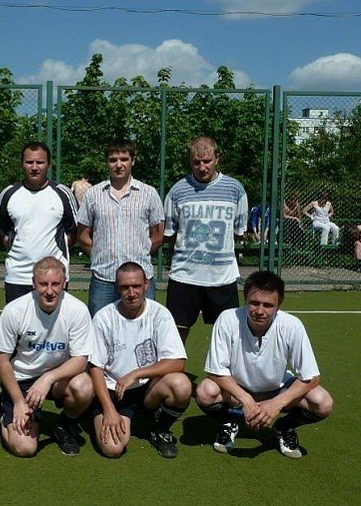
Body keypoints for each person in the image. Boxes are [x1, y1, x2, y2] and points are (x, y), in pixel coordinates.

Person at [195, 270, 333, 458]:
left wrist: (276, 404)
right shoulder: (227, 319)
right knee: (205, 392)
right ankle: (228, 422)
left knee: (322, 402)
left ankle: (284, 427)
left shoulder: (292, 325)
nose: (260, 311)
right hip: (237, 389)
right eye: (254, 303)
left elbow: (311, 377)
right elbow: (215, 371)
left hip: (277, 389)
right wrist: (246, 399)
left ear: (279, 305)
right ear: (245, 299)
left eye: (268, 305)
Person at [0, 257, 94, 457]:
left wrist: (47, 379)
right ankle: (2, 412)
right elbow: (1, 359)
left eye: (55, 284)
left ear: (64, 282)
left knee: (84, 386)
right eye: (43, 284)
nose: (49, 291)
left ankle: (64, 425)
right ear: (33, 283)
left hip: (56, 379)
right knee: (25, 448)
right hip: (22, 379)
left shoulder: (77, 310)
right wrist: (19, 402)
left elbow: (81, 360)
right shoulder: (15, 310)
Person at [89, 262, 191, 459]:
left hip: (146, 390)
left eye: (136, 286)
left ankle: (160, 429)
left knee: (181, 384)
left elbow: (178, 362)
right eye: (125, 287)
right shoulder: (103, 318)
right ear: (116, 288)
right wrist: (109, 410)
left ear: (146, 284)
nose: (131, 293)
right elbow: (95, 367)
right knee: (113, 449)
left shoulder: (160, 314)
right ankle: (100, 413)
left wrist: (136, 374)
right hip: (114, 391)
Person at [163, 135, 248, 345]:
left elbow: (239, 232)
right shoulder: (177, 191)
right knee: (175, 335)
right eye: (196, 162)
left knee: (229, 336)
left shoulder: (235, 190)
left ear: (217, 158)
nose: (202, 167)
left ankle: (224, 368)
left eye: (207, 161)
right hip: (184, 276)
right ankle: (173, 367)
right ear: (190, 161)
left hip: (222, 277)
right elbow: (170, 234)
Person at [78, 139, 164, 316]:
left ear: (133, 161)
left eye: (124, 159)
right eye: (113, 160)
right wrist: (99, 254)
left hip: (140, 278)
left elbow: (158, 235)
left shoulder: (149, 193)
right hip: (103, 278)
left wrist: (141, 252)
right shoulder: (93, 194)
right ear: (107, 162)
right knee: (99, 327)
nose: (118, 165)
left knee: (144, 326)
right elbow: (83, 235)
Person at [0, 142, 78, 304]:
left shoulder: (62, 193)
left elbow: (74, 231)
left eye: (40, 162)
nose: (34, 167)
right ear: (21, 164)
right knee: (17, 320)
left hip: (53, 277)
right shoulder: (9, 193)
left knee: (55, 321)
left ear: (48, 164)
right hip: (17, 277)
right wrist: (12, 244)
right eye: (29, 162)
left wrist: (59, 246)